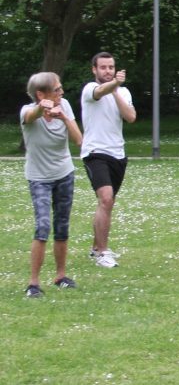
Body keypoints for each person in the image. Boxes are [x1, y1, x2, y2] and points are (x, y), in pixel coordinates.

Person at [21, 72, 83, 297]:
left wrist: (64, 117)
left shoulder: (64, 105)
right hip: (39, 179)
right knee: (42, 227)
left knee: (62, 226)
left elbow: (79, 140)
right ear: (41, 93)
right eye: (57, 89)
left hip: (64, 174)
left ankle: (60, 276)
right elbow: (30, 116)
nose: (62, 92)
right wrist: (42, 108)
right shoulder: (27, 111)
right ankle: (34, 283)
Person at [81, 52, 136, 268]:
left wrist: (116, 89)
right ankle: (103, 253)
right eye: (103, 67)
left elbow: (130, 117)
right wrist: (112, 85)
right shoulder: (89, 89)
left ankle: (96, 248)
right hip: (95, 152)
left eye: (111, 67)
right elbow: (100, 91)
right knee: (105, 199)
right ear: (94, 70)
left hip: (118, 154)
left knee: (108, 203)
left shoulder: (122, 91)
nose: (107, 71)